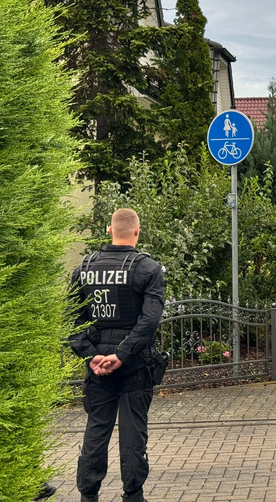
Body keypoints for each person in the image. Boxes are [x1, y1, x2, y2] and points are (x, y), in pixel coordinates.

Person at [70, 209, 165, 502]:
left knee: (97, 430)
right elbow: (149, 321)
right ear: (137, 231)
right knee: (133, 432)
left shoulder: (84, 268)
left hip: (98, 366)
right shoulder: (148, 269)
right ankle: (133, 495)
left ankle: (89, 495)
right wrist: (122, 354)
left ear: (110, 231)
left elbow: (69, 320)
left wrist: (91, 356)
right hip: (135, 365)